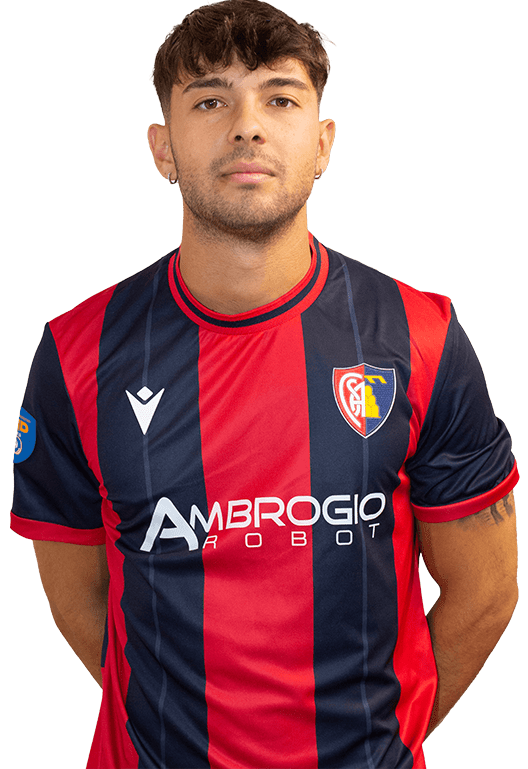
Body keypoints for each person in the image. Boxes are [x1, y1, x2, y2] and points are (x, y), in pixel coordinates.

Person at [10, 1, 519, 767]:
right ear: (162, 148)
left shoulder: (421, 337)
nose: (247, 126)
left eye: (280, 99)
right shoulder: (78, 351)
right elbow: (76, 593)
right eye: (209, 101)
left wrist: (376, 745)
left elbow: (487, 589)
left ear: (323, 142)